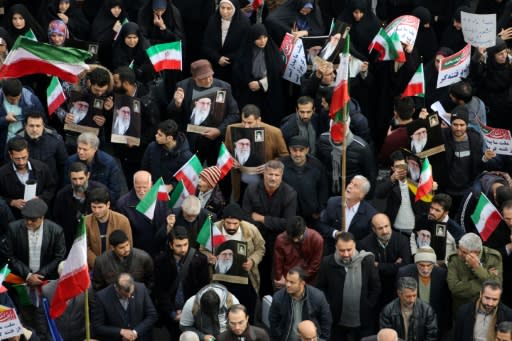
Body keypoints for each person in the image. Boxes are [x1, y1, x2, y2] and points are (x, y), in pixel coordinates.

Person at [1, 198, 66, 339]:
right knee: (26, 314)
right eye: (26, 219)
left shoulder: (56, 230)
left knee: (45, 317)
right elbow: (10, 256)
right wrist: (28, 275)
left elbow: (59, 257)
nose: (28, 222)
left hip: (45, 284)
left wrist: (40, 275)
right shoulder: (13, 228)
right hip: (21, 282)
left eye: (33, 220)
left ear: (42, 218)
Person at [168, 59, 239, 165]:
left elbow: (234, 114)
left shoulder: (224, 87)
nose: (209, 80)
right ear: (194, 78)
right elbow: (171, 114)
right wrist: (177, 104)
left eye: (210, 76)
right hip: (191, 140)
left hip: (216, 140)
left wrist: (219, 130)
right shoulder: (183, 86)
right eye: (203, 78)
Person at [242, 160, 297, 296]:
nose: (273, 178)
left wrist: (263, 219)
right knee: (256, 275)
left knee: (276, 277)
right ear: (264, 174)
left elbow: (288, 223)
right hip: (256, 240)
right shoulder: (252, 189)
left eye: (277, 175)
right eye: (270, 174)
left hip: (278, 242)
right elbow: (246, 217)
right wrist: (272, 223)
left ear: (282, 176)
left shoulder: (289, 193)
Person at [202, 203, 265, 320]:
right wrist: (209, 257)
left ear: (240, 222)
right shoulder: (212, 229)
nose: (231, 227)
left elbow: (260, 248)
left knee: (247, 309)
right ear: (223, 220)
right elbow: (202, 250)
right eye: (228, 223)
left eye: (235, 224)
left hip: (246, 278)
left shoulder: (251, 230)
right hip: (221, 279)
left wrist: (252, 260)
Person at [316, 232, 381, 340]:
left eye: (349, 250)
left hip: (363, 320)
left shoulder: (367, 261)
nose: (346, 254)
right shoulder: (327, 262)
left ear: (355, 246)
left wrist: (367, 304)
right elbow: (321, 287)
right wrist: (330, 305)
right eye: (341, 250)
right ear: (336, 247)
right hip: (336, 320)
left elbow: (375, 287)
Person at [153, 226, 210, 341]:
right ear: (170, 245)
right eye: (178, 245)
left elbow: (203, 289)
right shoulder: (161, 261)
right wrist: (172, 313)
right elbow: (160, 290)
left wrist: (188, 311)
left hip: (193, 310)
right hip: (171, 312)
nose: (183, 249)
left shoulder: (200, 259)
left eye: (185, 244)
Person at [225, 104, 288, 202]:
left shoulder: (274, 132)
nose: (246, 126)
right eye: (243, 122)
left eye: (250, 123)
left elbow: (284, 156)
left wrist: (269, 165)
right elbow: (226, 151)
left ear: (259, 120)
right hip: (239, 180)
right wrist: (230, 160)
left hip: (263, 183)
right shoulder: (231, 129)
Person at [233, 24, 285, 126]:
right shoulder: (244, 52)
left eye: (265, 37)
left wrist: (261, 83)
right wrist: (248, 82)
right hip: (248, 92)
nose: (262, 41)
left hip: (269, 93)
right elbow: (238, 71)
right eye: (258, 38)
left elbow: (277, 72)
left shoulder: (272, 52)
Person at [358, 213, 411, 307]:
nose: (385, 231)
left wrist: (378, 265)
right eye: (380, 228)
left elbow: (404, 267)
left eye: (386, 226)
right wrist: (394, 265)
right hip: (375, 292)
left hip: (396, 288)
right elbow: (367, 269)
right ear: (373, 229)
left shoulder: (403, 240)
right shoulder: (364, 244)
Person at [53, 161, 108, 252]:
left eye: (81, 178)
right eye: (74, 179)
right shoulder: (62, 195)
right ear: (70, 178)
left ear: (88, 176)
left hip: (95, 238)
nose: (78, 183)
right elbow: (57, 219)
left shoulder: (100, 191)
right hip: (70, 241)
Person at [396, 247, 451, 336]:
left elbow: (445, 303)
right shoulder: (404, 273)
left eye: (429, 265)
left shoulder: (442, 274)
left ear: (434, 264)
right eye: (422, 265)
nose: (425, 270)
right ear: (416, 263)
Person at [375, 150, 430, 235]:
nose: (401, 169)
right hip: (395, 230)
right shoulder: (390, 181)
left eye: (403, 165)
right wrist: (392, 179)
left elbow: (425, 204)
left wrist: (430, 188)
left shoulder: (415, 180)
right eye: (397, 166)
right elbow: (379, 193)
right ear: (393, 168)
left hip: (414, 230)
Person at [269, 267, 332, 341]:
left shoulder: (318, 297)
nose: (288, 285)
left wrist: (321, 339)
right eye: (287, 281)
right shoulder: (278, 297)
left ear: (302, 283)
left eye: (292, 282)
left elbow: (326, 321)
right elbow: (273, 321)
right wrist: (278, 336)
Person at [447, 232, 502, 315]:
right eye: (459, 249)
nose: (459, 253)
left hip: (487, 309)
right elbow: (454, 288)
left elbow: (496, 286)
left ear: (476, 252)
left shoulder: (493, 257)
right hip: (462, 309)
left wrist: (477, 268)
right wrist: (486, 281)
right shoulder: (455, 259)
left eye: (464, 252)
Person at [317, 175, 377, 252]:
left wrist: (350, 245)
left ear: (362, 195)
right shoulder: (332, 202)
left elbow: (370, 240)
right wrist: (335, 233)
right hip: (332, 249)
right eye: (351, 183)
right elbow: (321, 225)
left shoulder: (370, 214)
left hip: (356, 253)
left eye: (355, 186)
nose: (350, 186)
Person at [92, 272, 158, 341]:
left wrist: (135, 332)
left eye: (131, 293)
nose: (129, 296)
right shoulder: (101, 297)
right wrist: (121, 331)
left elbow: (152, 315)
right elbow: (97, 326)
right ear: (116, 288)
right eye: (125, 295)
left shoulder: (141, 289)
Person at [0, 138, 56, 219]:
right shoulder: (2, 173)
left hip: (38, 216)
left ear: (28, 153)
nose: (21, 162)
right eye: (17, 159)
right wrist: (11, 202)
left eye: (24, 157)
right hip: (13, 217)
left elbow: (51, 188)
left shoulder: (42, 168)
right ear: (10, 155)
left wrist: (40, 198)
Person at [281, 135, 328, 227]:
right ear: (289, 149)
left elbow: (323, 188)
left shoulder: (317, 165)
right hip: (289, 212)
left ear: (307, 150)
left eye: (301, 150)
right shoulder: (282, 165)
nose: (297, 154)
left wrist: (320, 209)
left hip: (311, 214)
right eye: (294, 150)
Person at [65, 132, 125, 202]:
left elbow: (115, 191)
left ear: (95, 149)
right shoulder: (71, 161)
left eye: (85, 149)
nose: (80, 152)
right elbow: (66, 186)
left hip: (101, 202)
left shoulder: (109, 163)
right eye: (79, 148)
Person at [85, 187, 132, 268]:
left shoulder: (122, 221)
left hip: (117, 266)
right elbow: (84, 247)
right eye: (93, 207)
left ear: (108, 205)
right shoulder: (85, 222)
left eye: (100, 207)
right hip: (94, 267)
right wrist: (98, 264)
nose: (96, 211)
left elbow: (128, 246)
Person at [16, 111, 68, 185]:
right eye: (31, 126)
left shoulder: (56, 141)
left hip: (49, 187)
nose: (34, 129)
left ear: (43, 126)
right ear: (25, 126)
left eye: (38, 126)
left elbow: (63, 166)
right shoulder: (15, 141)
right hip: (23, 186)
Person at [0, 78, 45, 163]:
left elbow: (42, 119)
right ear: (4, 95)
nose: (15, 101)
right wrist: (4, 119)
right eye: (12, 100)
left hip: (25, 142)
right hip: (4, 143)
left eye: (18, 98)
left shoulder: (31, 100)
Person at [380, 277, 438, 341]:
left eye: (414, 295)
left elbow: (431, 336)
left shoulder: (427, 310)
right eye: (408, 296)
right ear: (399, 294)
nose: (412, 300)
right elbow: (386, 336)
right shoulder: (388, 311)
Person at [274, 216, 323, 287]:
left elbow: (314, 265)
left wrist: (298, 280)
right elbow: (278, 263)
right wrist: (280, 278)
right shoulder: (280, 239)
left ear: (305, 229)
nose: (295, 240)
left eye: (298, 237)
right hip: (287, 278)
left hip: (308, 280)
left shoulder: (317, 239)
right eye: (292, 237)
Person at [141, 119, 193, 186]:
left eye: (160, 135)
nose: (156, 136)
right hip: (152, 188)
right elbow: (144, 168)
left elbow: (186, 177)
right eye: (157, 133)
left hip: (171, 193)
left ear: (169, 138)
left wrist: (172, 185)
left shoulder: (186, 157)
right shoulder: (152, 147)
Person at [486, 200, 512, 306]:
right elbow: (490, 254)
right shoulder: (495, 230)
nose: (511, 222)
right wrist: (508, 248)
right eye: (507, 219)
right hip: (504, 280)